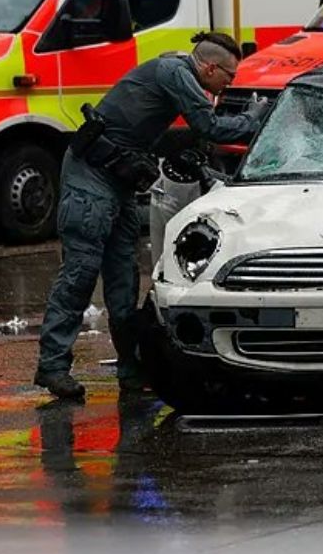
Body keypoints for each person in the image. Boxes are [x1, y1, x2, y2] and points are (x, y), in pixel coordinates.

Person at [34, 32, 268, 400]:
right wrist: (256, 119)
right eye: (228, 76)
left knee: (124, 281)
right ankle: (52, 366)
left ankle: (132, 370)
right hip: (90, 180)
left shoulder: (172, 75)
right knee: (79, 275)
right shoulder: (176, 73)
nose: (229, 84)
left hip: (115, 183)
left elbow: (151, 129)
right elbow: (209, 126)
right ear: (208, 67)